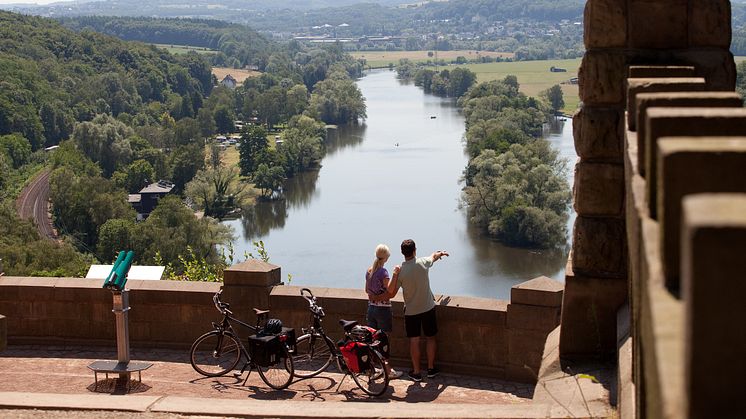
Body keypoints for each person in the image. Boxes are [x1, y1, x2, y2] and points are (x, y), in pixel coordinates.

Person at [383, 239, 448, 381]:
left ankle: (417, 372)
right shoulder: (423, 262)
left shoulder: (401, 271)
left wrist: (394, 274)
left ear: (402, 253)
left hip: (411, 311)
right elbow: (433, 257)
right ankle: (431, 369)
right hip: (428, 307)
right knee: (431, 338)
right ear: (415, 250)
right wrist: (440, 253)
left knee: (414, 340)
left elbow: (391, 292)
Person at [364, 244, 402, 379]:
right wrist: (395, 274)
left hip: (371, 309)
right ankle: (388, 370)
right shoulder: (384, 272)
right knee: (383, 341)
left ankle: (374, 369)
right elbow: (390, 290)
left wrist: (375, 296)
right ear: (386, 257)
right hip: (383, 310)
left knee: (372, 340)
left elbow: (367, 291)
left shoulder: (369, 271)